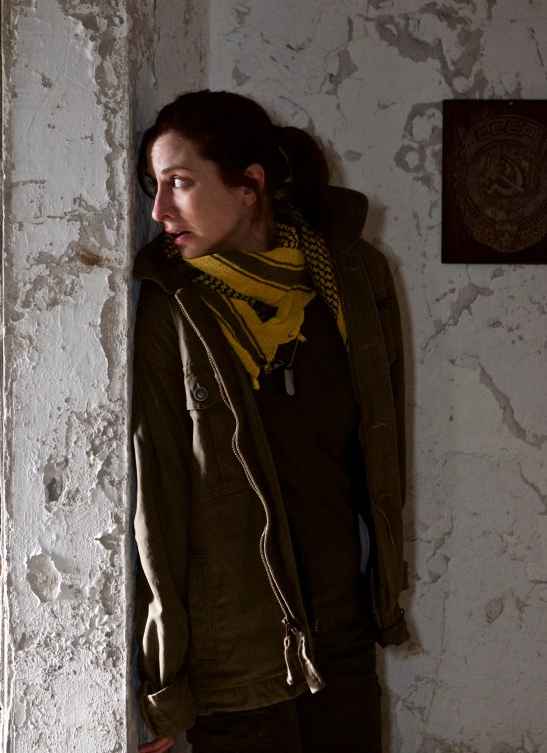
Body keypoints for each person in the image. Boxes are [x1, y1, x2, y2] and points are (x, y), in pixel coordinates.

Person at [131, 90, 410, 753]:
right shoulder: (173, 307)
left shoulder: (351, 280)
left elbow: (382, 449)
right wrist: (165, 687)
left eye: (179, 183)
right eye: (154, 187)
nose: (159, 211)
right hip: (237, 659)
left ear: (249, 185)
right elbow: (158, 498)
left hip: (342, 637)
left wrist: (382, 598)